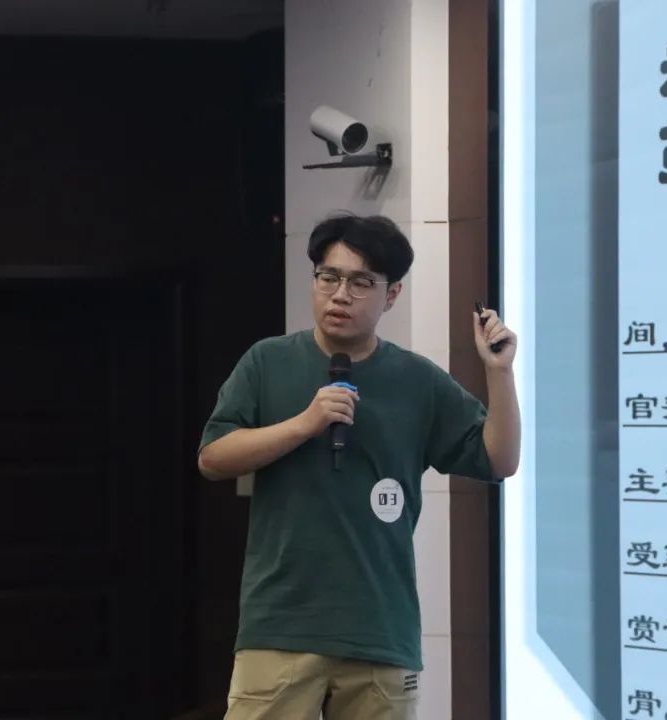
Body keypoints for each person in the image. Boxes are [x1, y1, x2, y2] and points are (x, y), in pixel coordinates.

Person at [198, 213, 521, 720]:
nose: (340, 295)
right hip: (280, 627)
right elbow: (213, 457)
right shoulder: (267, 361)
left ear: (391, 295)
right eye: (328, 277)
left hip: (380, 632)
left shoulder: (417, 380)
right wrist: (304, 424)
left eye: (361, 282)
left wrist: (498, 372)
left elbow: (500, 459)